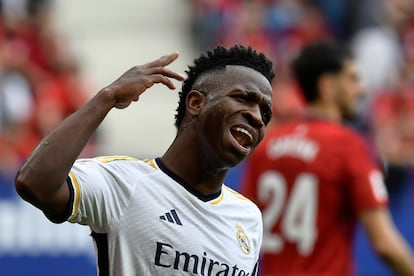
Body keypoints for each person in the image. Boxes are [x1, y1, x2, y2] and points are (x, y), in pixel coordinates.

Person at [14, 44, 275, 275]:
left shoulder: (248, 217)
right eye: (243, 98)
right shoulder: (124, 182)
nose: (257, 117)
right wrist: (109, 96)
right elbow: (34, 183)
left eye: (265, 112)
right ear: (195, 103)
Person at [240, 41, 414, 275]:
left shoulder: (267, 146)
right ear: (328, 86)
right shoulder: (349, 147)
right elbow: (384, 243)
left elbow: (242, 226)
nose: (361, 89)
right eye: (352, 79)